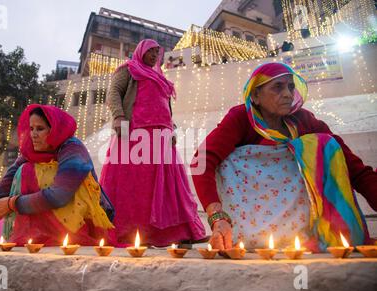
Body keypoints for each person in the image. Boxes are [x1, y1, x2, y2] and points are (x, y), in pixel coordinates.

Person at [191, 62, 376, 252]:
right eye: (278, 87)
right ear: (255, 96)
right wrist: (217, 217)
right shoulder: (241, 118)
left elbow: (355, 169)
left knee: (326, 144)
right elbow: (202, 161)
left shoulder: (304, 121)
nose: (288, 94)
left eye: (291, 86)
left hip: (302, 230)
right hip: (251, 220)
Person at [0, 105, 115, 246]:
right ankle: (31, 235)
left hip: (84, 223)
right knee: (23, 171)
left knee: (27, 172)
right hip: (45, 221)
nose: (33, 134)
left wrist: (11, 203)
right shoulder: (29, 154)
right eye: (31, 128)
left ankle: (58, 235)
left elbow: (59, 195)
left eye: (40, 129)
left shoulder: (72, 149)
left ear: (55, 129)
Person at [100, 39, 206, 247]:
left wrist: (171, 128)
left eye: (158, 52)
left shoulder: (159, 77)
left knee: (170, 187)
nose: (155, 55)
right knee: (134, 186)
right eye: (151, 51)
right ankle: (131, 234)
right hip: (134, 134)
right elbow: (113, 93)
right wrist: (119, 117)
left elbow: (165, 106)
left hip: (162, 137)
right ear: (141, 51)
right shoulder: (128, 69)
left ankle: (181, 233)